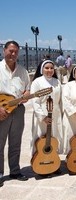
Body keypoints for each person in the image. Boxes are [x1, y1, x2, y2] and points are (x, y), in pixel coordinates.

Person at [0, 41, 30, 187]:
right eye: (10, 51)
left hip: (18, 110)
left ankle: (15, 171)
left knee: (15, 142)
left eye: (16, 52)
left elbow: (27, 89)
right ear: (4, 50)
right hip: (1, 110)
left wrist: (26, 94)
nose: (13, 54)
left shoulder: (23, 71)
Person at [30, 60, 63, 158]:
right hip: (42, 115)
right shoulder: (37, 82)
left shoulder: (57, 82)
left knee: (54, 138)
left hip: (55, 115)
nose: (49, 70)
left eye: (51, 68)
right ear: (42, 69)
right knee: (40, 139)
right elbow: (35, 101)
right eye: (47, 68)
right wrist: (43, 116)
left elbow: (60, 100)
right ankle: (39, 162)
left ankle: (53, 162)